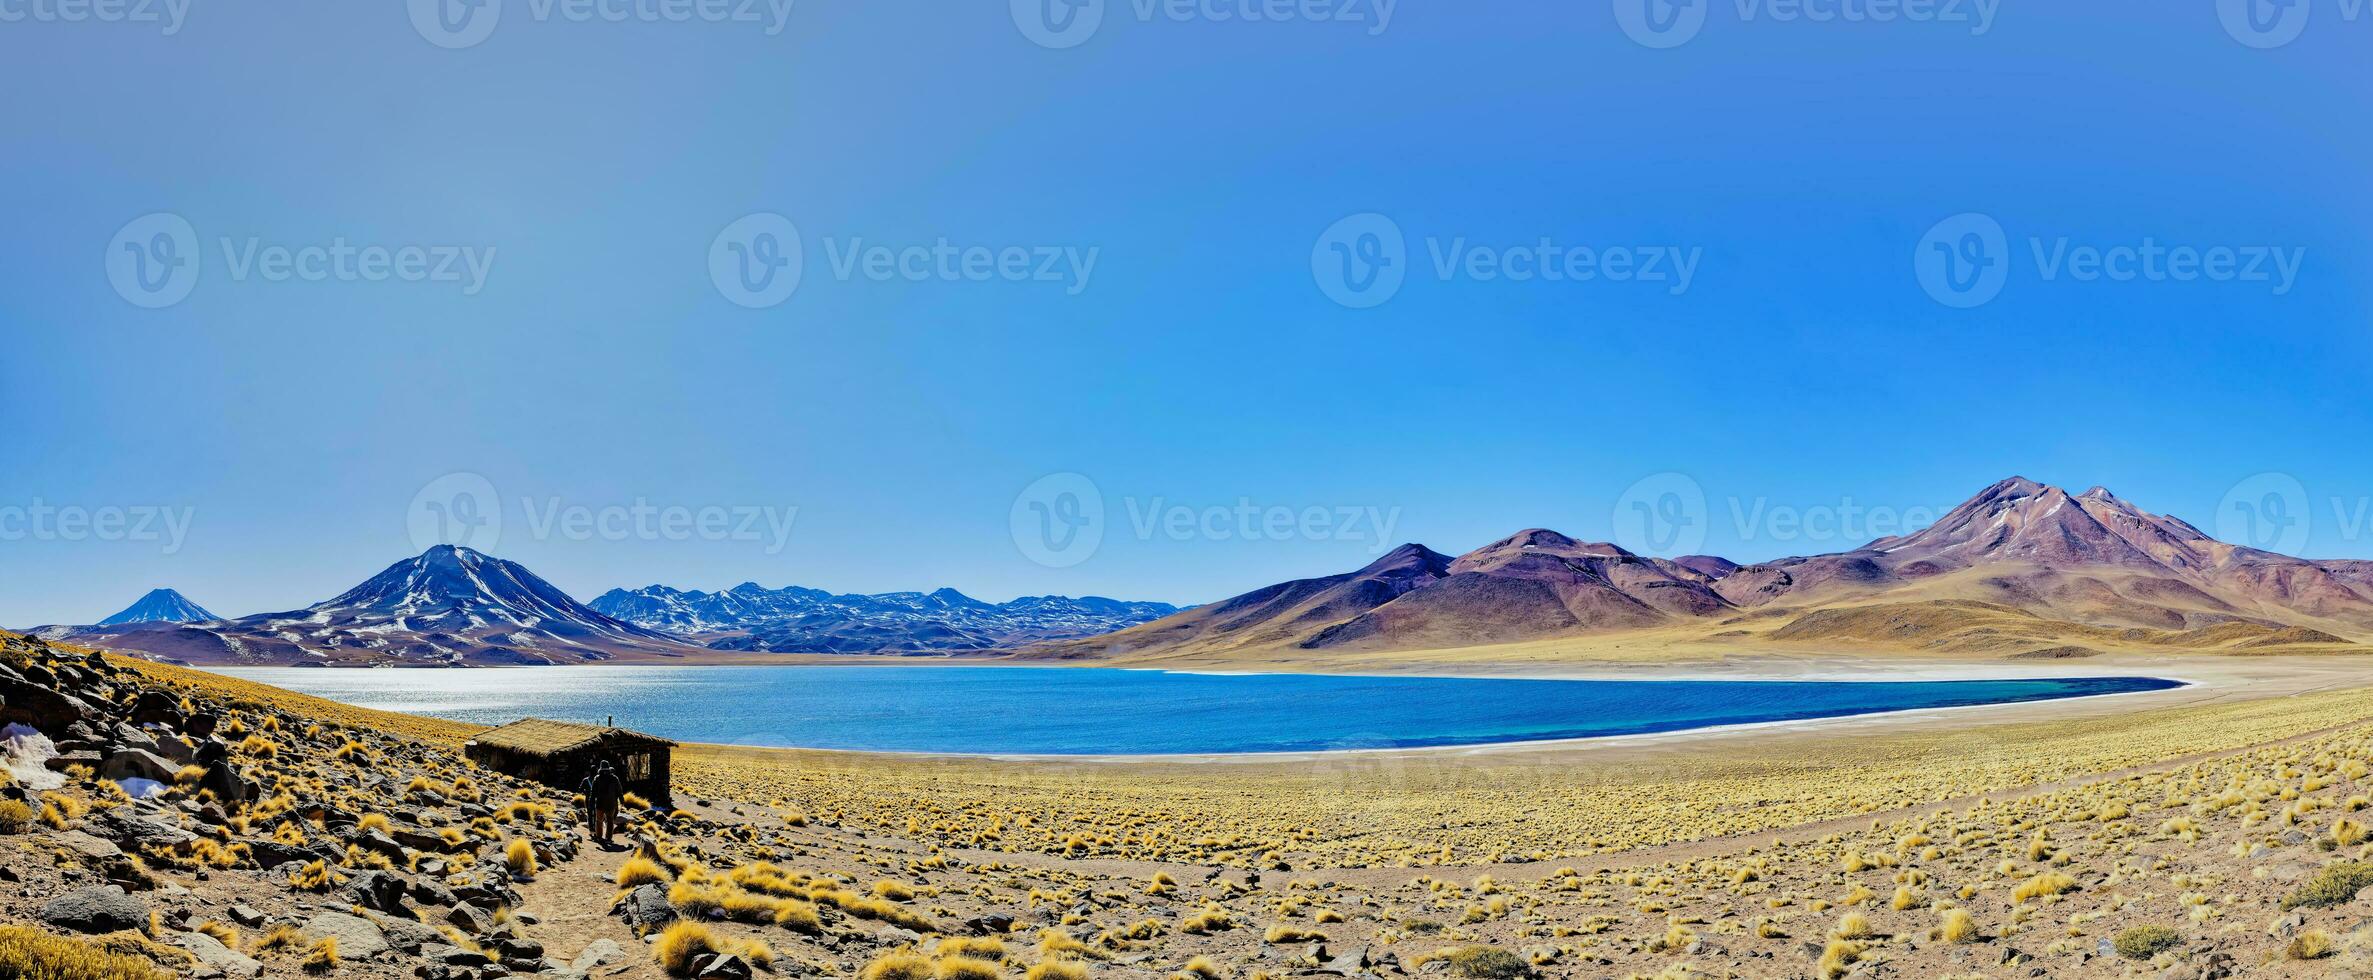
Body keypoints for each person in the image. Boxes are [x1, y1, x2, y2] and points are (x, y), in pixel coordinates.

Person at [580, 759, 624, 847]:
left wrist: (591, 802)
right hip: (611, 803)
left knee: (599, 821)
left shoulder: (597, 778)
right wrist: (621, 800)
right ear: (608, 767)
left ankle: (599, 837)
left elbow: (593, 792)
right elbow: (619, 790)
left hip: (600, 803)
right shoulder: (614, 778)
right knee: (610, 821)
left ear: (600, 768)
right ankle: (608, 838)